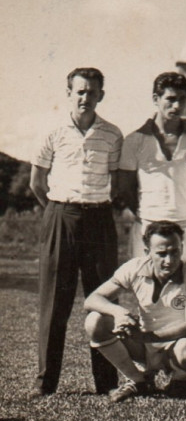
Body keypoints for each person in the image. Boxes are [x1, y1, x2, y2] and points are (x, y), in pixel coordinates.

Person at [29, 67, 121, 396]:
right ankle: (46, 382)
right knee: (55, 304)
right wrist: (59, 212)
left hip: (98, 218)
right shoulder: (52, 130)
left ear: (101, 95)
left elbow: (116, 183)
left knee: (103, 299)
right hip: (60, 215)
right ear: (69, 93)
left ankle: (107, 382)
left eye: (92, 92)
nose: (85, 97)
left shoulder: (112, 134)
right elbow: (37, 183)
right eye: (79, 91)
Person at [83, 221, 186, 403]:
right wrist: (117, 312)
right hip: (143, 347)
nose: (169, 260)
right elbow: (92, 299)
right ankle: (138, 380)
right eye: (162, 254)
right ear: (148, 252)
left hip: (175, 347)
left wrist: (147, 336)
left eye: (175, 252)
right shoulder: (134, 268)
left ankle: (180, 380)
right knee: (94, 321)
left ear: (182, 247)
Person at [118, 72, 186, 262]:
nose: (177, 106)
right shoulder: (134, 140)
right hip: (149, 225)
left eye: (182, 99)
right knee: (147, 285)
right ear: (156, 99)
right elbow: (125, 188)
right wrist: (148, 213)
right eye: (171, 99)